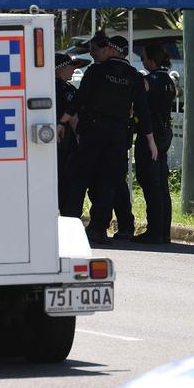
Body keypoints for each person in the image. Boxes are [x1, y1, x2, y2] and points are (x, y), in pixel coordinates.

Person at [61, 34, 157, 244]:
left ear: (112, 50)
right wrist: (150, 140)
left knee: (79, 178)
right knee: (108, 182)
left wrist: (62, 121)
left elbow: (79, 99)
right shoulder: (133, 76)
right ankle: (98, 229)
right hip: (118, 136)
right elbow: (143, 109)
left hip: (93, 133)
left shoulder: (96, 71)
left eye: (106, 48)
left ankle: (69, 226)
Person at [134, 43, 177, 244]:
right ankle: (164, 231)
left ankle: (154, 231)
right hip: (165, 131)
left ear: (151, 60)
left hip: (150, 133)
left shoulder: (148, 81)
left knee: (150, 182)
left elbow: (140, 107)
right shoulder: (169, 80)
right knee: (161, 182)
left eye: (143, 58)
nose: (143, 61)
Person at [54, 52, 90, 216]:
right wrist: (81, 139)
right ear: (59, 69)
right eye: (71, 67)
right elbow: (74, 118)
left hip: (51, 145)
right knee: (69, 183)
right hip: (66, 145)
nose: (74, 70)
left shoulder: (45, 87)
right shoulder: (66, 90)